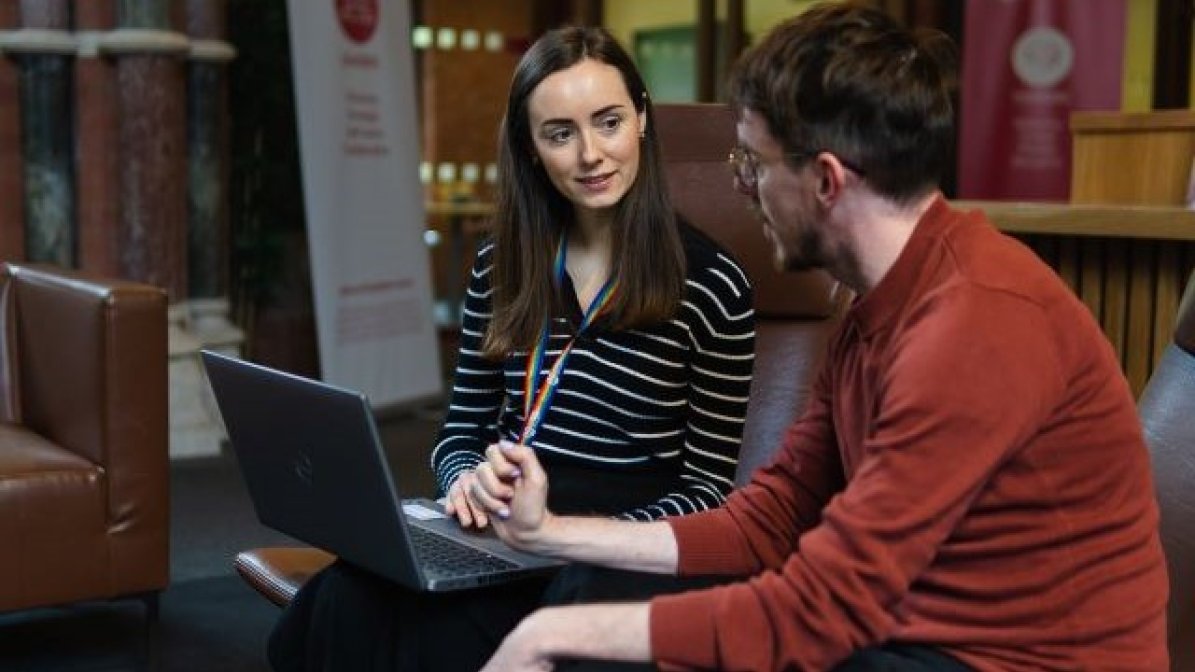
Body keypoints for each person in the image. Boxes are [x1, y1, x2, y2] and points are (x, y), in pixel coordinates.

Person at [470, 3, 1170, 671]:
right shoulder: (880, 307)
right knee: (602, 601)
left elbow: (820, 609)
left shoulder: (972, 323)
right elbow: (767, 521)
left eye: (753, 165)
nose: (743, 190)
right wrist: (551, 533)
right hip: (918, 639)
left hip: (1006, 662)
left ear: (826, 181)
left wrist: (549, 633)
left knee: (596, 635)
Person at [266, 25, 756, 671]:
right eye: (560, 133)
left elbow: (708, 489)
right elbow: (458, 434)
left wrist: (576, 537)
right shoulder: (502, 265)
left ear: (640, 118)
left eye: (607, 121)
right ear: (530, 148)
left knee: (478, 630)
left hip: (617, 543)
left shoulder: (713, 282)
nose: (590, 154)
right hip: (499, 530)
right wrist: (465, 479)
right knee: (349, 595)